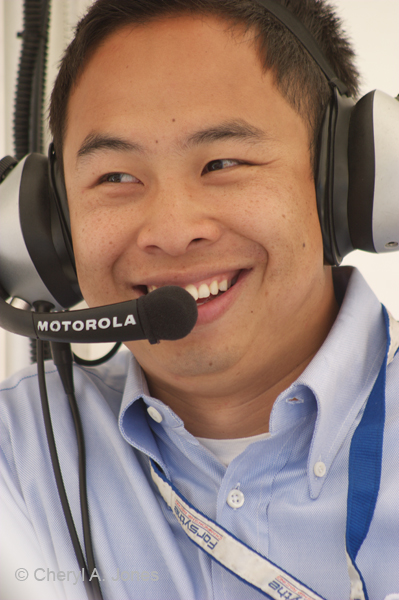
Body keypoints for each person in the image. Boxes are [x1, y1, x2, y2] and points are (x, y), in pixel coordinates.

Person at [1, 1, 398, 599]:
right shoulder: (15, 453)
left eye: (224, 162)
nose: (170, 228)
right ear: (50, 228)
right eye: (115, 177)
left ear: (351, 183)